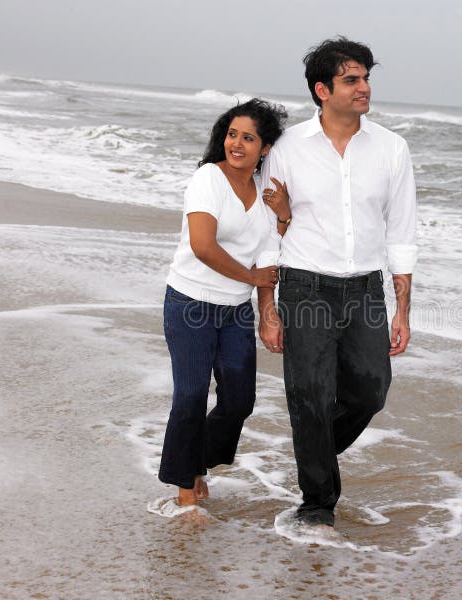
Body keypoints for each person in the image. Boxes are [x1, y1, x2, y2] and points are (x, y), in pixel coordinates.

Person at [258, 37, 418, 529]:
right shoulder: (286, 149)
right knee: (309, 395)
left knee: (371, 392)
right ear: (322, 90)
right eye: (352, 80)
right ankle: (317, 505)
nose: (364, 87)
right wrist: (268, 309)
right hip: (304, 287)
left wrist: (402, 308)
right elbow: (267, 231)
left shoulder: (392, 148)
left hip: (366, 290)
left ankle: (314, 456)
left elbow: (402, 231)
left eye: (366, 78)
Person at [158, 98, 288, 508]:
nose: (237, 144)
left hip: (234, 312)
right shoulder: (207, 180)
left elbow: (269, 260)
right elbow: (202, 246)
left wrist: (268, 314)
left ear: (264, 148)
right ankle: (185, 492)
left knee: (238, 401)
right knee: (191, 396)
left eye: (248, 138)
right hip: (190, 303)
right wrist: (250, 278)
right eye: (232, 134)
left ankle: (196, 461)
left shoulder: (266, 198)